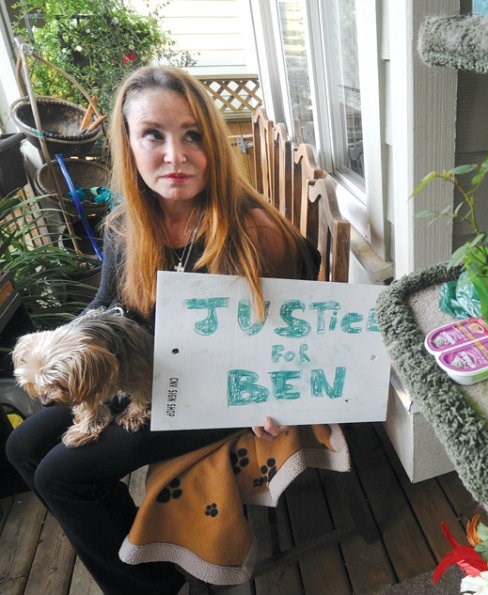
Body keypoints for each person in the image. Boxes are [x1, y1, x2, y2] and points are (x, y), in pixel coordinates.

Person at [7, 65, 318, 595]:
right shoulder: (130, 223)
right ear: (127, 143)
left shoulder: (252, 232)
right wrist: (68, 341)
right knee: (23, 448)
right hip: (151, 372)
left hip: (219, 393)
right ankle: (145, 560)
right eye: (153, 134)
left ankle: (145, 588)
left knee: (61, 476)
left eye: (192, 135)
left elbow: (299, 337)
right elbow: (110, 307)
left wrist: (276, 396)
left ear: (214, 144)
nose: (175, 156)